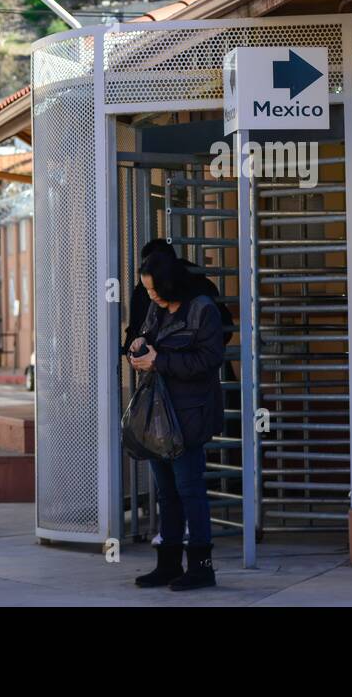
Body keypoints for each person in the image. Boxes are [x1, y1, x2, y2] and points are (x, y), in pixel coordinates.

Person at [127, 251, 225, 590]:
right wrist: (139, 346)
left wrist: (159, 361)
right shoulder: (157, 308)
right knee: (166, 493)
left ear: (170, 283)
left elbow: (208, 361)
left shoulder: (203, 310)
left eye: (154, 290)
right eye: (147, 291)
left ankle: (201, 567)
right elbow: (148, 342)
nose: (150, 296)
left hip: (188, 417)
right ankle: (167, 564)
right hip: (157, 415)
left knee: (190, 491)